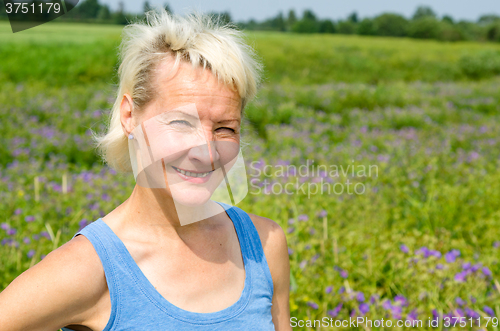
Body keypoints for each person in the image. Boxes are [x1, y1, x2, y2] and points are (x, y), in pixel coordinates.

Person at [0, 8, 291, 331]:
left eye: (225, 128)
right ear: (129, 116)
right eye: (181, 122)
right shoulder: (91, 269)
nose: (207, 152)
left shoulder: (264, 245)